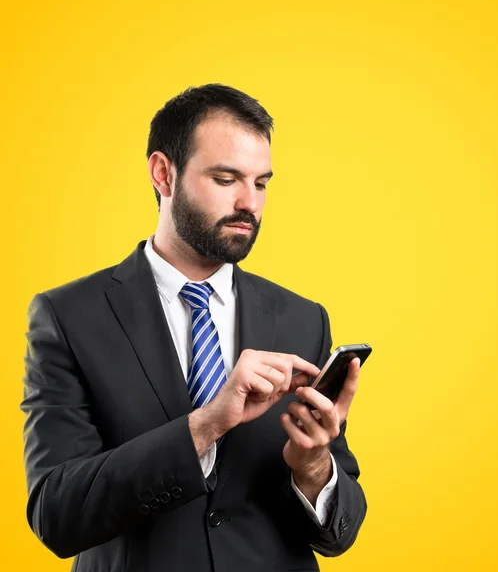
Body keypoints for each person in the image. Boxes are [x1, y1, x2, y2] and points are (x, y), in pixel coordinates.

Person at [22, 84, 367, 572]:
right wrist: (207, 425)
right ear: (163, 173)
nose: (250, 202)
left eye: (261, 183)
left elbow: (339, 535)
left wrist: (312, 466)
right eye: (226, 179)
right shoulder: (69, 316)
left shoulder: (303, 319)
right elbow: (56, 515)